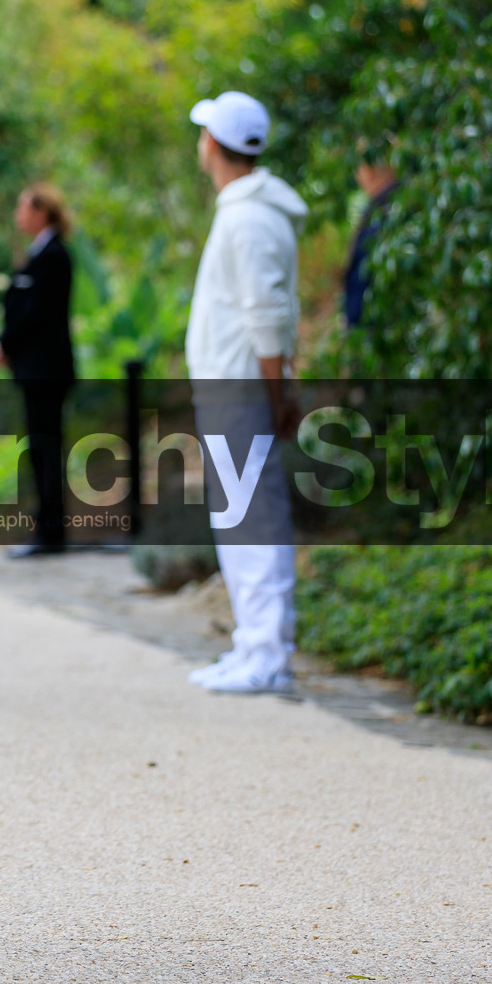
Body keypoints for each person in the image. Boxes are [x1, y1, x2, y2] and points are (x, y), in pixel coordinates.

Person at [183, 90, 306, 694]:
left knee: (251, 516)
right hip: (233, 387)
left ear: (214, 144)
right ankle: (253, 645)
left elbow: (268, 314)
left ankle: (266, 654)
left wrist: (276, 390)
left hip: (240, 389)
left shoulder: (249, 217)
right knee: (241, 515)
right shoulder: (244, 210)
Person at [0, 182, 76, 556]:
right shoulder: (41, 253)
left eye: (23, 208)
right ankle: (47, 526)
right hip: (36, 370)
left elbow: (35, 312)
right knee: (41, 446)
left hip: (47, 371)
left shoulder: (53, 256)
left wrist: (5, 342)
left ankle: (51, 532)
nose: (18, 215)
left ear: (41, 211)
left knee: (45, 446)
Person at [343, 157, 398, 327]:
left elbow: (362, 280)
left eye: (358, 166)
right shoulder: (389, 205)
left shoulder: (382, 214)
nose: (357, 175)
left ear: (370, 170)